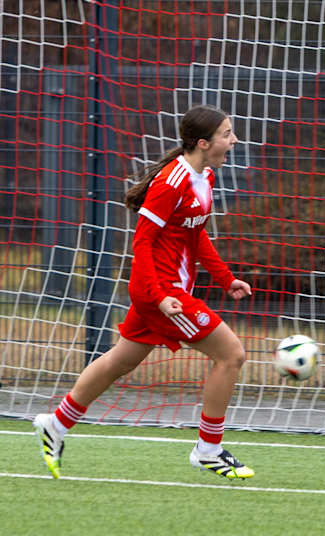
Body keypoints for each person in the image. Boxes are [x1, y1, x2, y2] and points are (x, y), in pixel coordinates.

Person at [32, 105, 254, 479]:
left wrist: (224, 277)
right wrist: (158, 296)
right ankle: (208, 449)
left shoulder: (206, 176)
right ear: (203, 143)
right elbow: (143, 242)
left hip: (165, 293)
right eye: (227, 134)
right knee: (231, 355)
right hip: (162, 295)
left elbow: (195, 234)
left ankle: (55, 424)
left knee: (121, 361)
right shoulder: (172, 182)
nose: (234, 140)